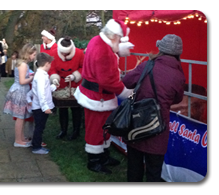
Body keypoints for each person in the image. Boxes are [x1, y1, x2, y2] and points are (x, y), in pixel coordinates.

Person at [122, 34, 186, 182]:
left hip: (136, 126)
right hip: (159, 129)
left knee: (134, 169)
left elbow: (126, 81)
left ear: (161, 50)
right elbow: (177, 99)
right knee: (154, 172)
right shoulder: (179, 75)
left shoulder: (147, 65)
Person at [74, 19, 133, 174]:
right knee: (96, 129)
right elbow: (108, 80)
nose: (120, 42)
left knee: (105, 127)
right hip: (97, 97)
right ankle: (94, 162)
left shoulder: (97, 40)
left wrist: (118, 50)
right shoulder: (104, 52)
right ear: (114, 36)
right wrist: (126, 92)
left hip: (98, 96)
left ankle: (103, 156)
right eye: (120, 39)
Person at [49, 36, 84, 140]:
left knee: (76, 109)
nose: (64, 55)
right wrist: (54, 78)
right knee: (62, 108)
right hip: (61, 85)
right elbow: (52, 68)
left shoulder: (79, 53)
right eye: (63, 53)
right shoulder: (54, 53)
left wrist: (75, 76)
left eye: (67, 53)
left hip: (75, 85)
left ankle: (75, 131)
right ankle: (63, 130)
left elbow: (83, 67)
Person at [3, 43, 37, 147]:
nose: (34, 56)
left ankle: (21, 138)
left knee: (22, 117)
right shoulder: (23, 65)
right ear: (28, 53)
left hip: (21, 91)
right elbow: (22, 81)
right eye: (34, 54)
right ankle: (18, 141)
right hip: (20, 92)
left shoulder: (23, 63)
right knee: (20, 117)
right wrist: (32, 77)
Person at [27, 53, 58, 154]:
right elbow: (41, 93)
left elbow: (45, 89)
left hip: (40, 107)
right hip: (40, 108)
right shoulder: (41, 76)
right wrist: (45, 107)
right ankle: (36, 147)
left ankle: (37, 144)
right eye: (50, 64)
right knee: (39, 127)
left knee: (40, 127)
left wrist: (53, 86)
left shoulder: (41, 74)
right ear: (47, 64)